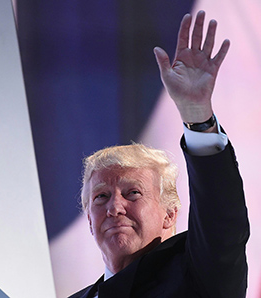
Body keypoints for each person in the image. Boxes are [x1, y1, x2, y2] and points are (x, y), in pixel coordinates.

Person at [68, 10, 250, 298]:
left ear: (170, 214)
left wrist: (196, 115)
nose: (114, 208)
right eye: (101, 196)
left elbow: (222, 224)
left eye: (133, 193)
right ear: (89, 220)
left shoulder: (199, 277)